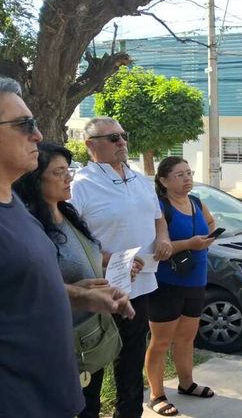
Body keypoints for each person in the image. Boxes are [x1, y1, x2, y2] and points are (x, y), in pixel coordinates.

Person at [0, 77, 133, 417]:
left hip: (56, 394)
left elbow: (22, 288)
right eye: (24, 124)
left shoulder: (13, 204)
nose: (38, 135)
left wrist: (81, 295)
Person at [13, 142, 145, 418]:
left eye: (68, 171)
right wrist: (76, 292)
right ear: (35, 180)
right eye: (59, 172)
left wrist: (115, 270)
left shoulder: (68, 213)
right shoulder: (28, 225)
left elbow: (85, 261)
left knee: (90, 406)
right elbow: (28, 286)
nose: (68, 178)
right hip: (60, 342)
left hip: (90, 337)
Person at [71, 116, 173, 418]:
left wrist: (164, 237)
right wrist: (110, 259)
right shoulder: (82, 186)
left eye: (123, 136)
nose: (122, 143)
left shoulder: (140, 179)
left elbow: (158, 217)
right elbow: (74, 237)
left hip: (140, 286)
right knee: (96, 362)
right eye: (113, 138)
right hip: (101, 290)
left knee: (131, 360)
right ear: (91, 145)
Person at [144, 157, 217, 416]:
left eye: (189, 173)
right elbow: (156, 249)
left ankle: (186, 383)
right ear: (163, 181)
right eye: (179, 175)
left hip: (196, 280)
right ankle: (157, 394)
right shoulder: (161, 208)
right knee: (161, 341)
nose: (187, 179)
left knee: (187, 338)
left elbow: (210, 224)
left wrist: (207, 239)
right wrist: (189, 244)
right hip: (168, 283)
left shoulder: (196, 202)